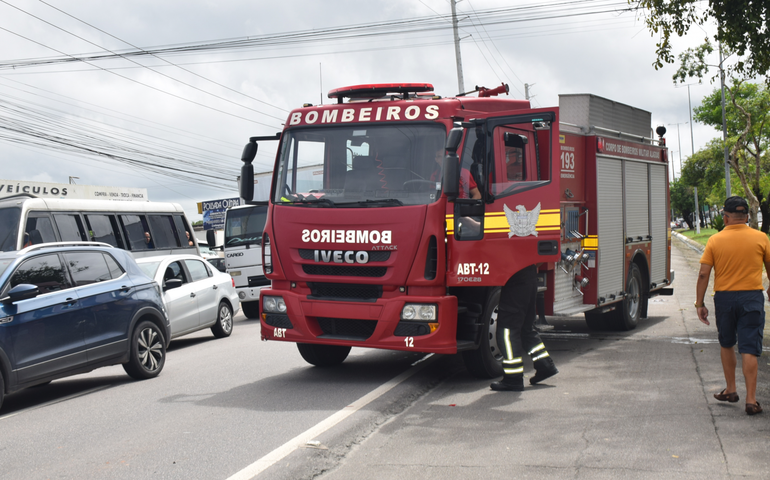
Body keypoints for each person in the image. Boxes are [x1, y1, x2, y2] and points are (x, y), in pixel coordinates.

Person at [695, 196, 770, 415]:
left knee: (727, 343)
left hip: (725, 298)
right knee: (749, 348)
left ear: (726, 217)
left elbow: (703, 274)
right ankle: (751, 400)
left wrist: (699, 303)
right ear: (747, 216)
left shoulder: (715, 240)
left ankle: (731, 389)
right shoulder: (761, 237)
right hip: (752, 298)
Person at [491, 264, 558, 391]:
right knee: (525, 329)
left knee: (507, 332)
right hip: (528, 277)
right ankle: (545, 365)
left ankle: (513, 378)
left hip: (515, 279)